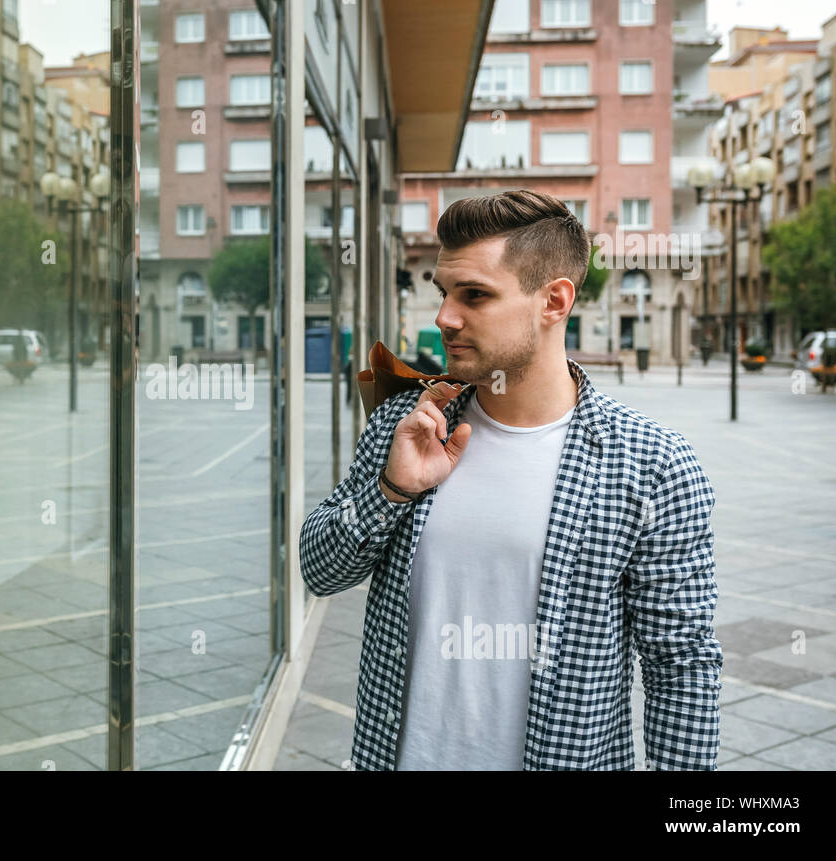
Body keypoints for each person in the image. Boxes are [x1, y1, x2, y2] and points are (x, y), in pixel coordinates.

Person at [300, 190, 722, 771]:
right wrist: (392, 493)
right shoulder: (409, 425)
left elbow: (681, 665)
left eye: (475, 295)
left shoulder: (652, 465)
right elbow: (318, 573)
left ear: (554, 301)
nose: (445, 317)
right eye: (444, 293)